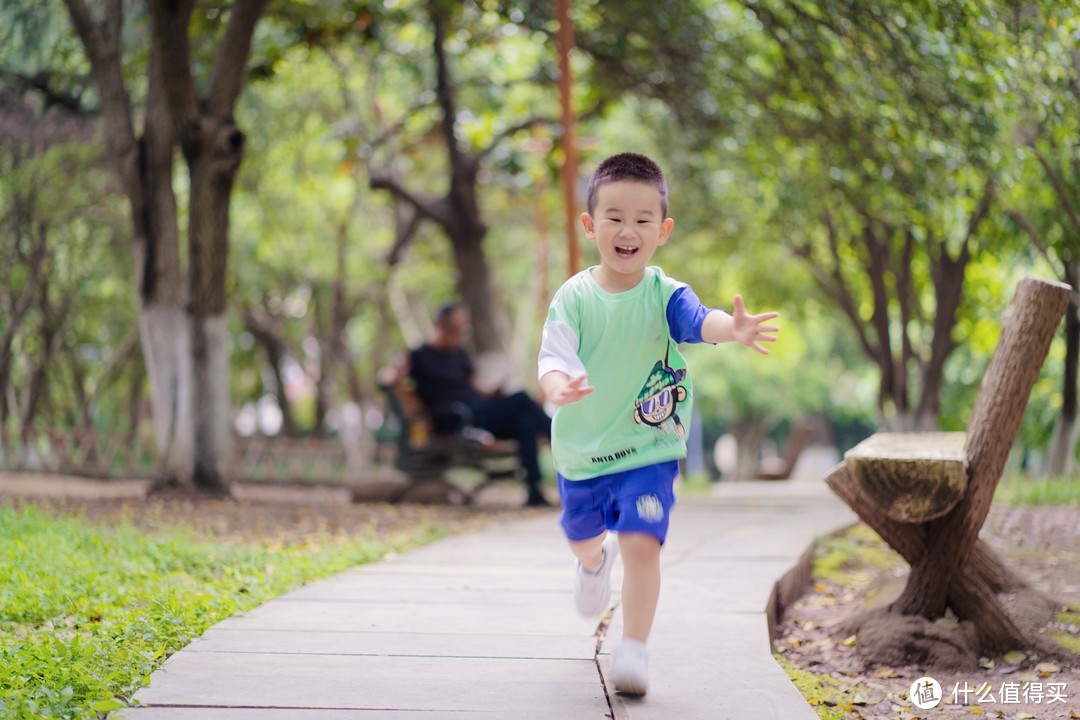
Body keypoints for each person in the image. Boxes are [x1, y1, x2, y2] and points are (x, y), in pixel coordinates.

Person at [537, 152, 779, 695]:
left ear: (662, 230)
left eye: (644, 220)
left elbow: (699, 321)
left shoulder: (664, 293)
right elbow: (551, 359)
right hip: (582, 452)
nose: (628, 230)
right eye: (615, 217)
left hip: (648, 447)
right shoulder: (573, 299)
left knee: (643, 541)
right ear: (589, 225)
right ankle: (593, 564)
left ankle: (634, 649)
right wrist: (558, 388)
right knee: (583, 539)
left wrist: (731, 330)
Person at [408, 303, 554, 507]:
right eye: (455, 329)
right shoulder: (419, 356)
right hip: (455, 418)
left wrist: (495, 392)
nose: (459, 335)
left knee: (524, 422)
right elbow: (394, 381)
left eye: (463, 330)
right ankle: (562, 442)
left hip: (477, 411)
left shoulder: (459, 354)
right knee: (521, 399)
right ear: (440, 326)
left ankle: (535, 492)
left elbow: (475, 386)